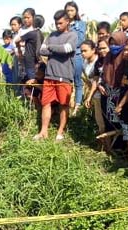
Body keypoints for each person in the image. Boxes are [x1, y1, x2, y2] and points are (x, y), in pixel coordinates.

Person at [35, 10, 77, 141]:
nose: (58, 25)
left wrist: (51, 48)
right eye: (56, 23)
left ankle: (60, 132)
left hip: (64, 77)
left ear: (67, 22)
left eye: (60, 23)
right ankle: (43, 131)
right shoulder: (51, 35)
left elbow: (68, 49)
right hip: (49, 76)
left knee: (63, 105)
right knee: (45, 103)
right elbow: (41, 50)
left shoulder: (73, 35)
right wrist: (57, 48)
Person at [82, 39, 108, 150]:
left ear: (93, 50)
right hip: (95, 95)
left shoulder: (98, 61)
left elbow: (95, 81)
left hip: (101, 94)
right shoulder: (85, 63)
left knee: (103, 122)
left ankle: (106, 146)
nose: (83, 53)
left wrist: (89, 96)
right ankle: (104, 145)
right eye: (81, 51)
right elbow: (90, 81)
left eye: (85, 51)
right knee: (99, 121)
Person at [65, 2, 87, 115]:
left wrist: (68, 46)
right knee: (66, 82)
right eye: (67, 11)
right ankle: (66, 105)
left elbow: (80, 39)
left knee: (78, 81)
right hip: (65, 57)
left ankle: (78, 107)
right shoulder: (63, 24)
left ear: (76, 11)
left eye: (72, 10)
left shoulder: (81, 24)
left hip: (77, 55)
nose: (69, 13)